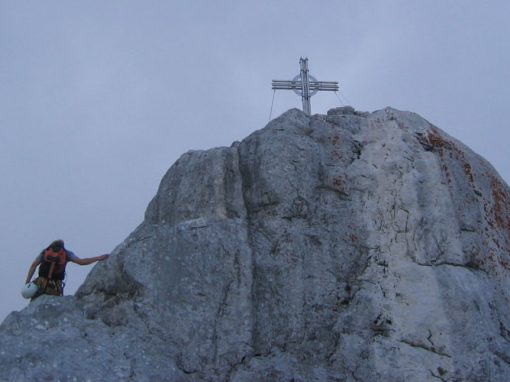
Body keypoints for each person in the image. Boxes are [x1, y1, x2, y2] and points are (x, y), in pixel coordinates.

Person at [24, 239, 108, 299]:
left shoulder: (45, 252)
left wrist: (27, 281)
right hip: (55, 286)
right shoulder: (66, 254)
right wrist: (98, 258)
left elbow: (33, 266)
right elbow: (81, 262)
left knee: (36, 301)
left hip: (40, 283)